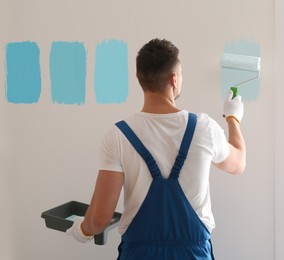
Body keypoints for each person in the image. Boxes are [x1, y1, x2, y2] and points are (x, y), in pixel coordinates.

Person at [66, 38, 246, 259]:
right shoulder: (204, 128)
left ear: (138, 78)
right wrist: (233, 118)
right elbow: (238, 164)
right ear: (173, 79)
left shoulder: (118, 136)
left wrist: (81, 231)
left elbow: (99, 219)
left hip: (139, 254)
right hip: (193, 254)